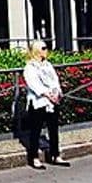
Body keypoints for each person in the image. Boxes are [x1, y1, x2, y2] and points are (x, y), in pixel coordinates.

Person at [22, 40, 67, 169]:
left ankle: (55, 154)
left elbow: (55, 80)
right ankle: (34, 157)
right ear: (37, 50)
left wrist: (56, 93)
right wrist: (47, 94)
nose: (46, 50)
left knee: (53, 129)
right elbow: (33, 84)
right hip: (38, 102)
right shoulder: (30, 67)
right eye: (43, 48)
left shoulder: (48, 65)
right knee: (35, 130)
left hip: (52, 101)